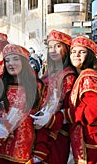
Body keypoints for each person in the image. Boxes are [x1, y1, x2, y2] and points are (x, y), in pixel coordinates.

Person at [30, 30, 77, 163]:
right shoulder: (47, 72)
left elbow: (71, 109)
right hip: (39, 130)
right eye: (50, 47)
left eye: (58, 46)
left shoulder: (69, 75)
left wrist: (50, 119)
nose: (53, 50)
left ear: (66, 49)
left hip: (56, 134)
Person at [0, 44, 41, 164]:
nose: (11, 63)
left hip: (24, 152)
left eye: (15, 59)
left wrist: (40, 151)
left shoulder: (37, 86)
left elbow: (42, 123)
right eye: (7, 60)